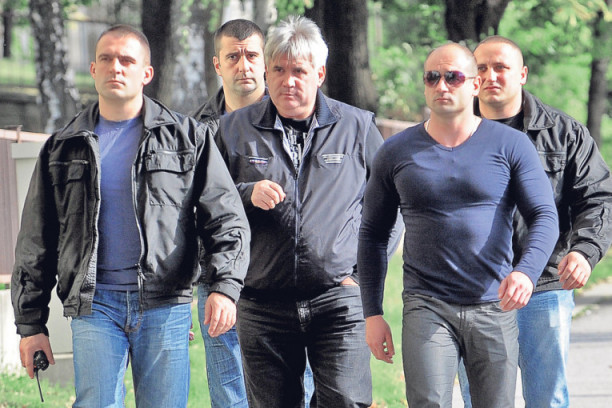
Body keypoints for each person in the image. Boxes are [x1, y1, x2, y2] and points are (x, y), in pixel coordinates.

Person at [11, 24, 250, 407]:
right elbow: (36, 240)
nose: (116, 67)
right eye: (106, 59)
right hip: (95, 305)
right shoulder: (63, 147)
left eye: (126, 60)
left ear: (146, 72)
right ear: (93, 70)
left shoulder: (187, 137)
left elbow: (225, 218)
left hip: (165, 304)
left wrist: (225, 287)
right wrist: (30, 325)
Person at [358, 42, 559, 408]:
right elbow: (372, 233)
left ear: (474, 84)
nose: (442, 86)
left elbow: (544, 215)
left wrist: (526, 272)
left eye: (453, 77)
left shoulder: (511, 145)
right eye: (432, 77)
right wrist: (372, 312)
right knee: (429, 403)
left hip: (493, 304)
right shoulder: (396, 151)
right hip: (426, 304)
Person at [214, 15, 396, 408]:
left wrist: (361, 276)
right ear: (267, 72)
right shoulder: (231, 130)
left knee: (346, 400)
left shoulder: (357, 127)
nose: (288, 81)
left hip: (338, 299)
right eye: (278, 70)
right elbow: (208, 205)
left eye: (299, 71)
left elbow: (391, 206)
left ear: (320, 73)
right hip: (261, 303)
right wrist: (246, 194)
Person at [456, 35, 612, 408]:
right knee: (481, 401)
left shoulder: (565, 133)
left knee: (546, 399)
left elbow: (597, 198)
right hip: (473, 291)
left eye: (501, 67)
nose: (490, 76)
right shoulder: (451, 132)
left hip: (544, 286)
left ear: (522, 74)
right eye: (481, 68)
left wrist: (584, 250)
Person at [191, 18, 315, 408]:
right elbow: (189, 203)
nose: (243, 65)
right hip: (218, 276)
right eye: (233, 57)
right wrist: (247, 192)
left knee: (295, 388)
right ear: (217, 64)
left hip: (284, 278)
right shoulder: (197, 129)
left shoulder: (296, 117)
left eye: (251, 56)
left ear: (265, 61)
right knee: (229, 390)